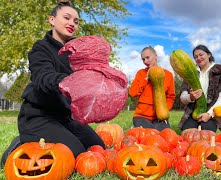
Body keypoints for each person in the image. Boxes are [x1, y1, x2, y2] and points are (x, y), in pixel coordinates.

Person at [0, 1, 105, 166]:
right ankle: (21, 143)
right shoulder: (40, 49)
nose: (71, 23)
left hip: (64, 116)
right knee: (75, 154)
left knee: (98, 147)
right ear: (52, 20)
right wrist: (73, 82)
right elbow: (44, 77)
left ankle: (51, 136)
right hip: (39, 116)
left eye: (76, 21)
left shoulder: (78, 53)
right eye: (66, 18)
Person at [178, 45, 221, 132]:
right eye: (195, 57)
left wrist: (209, 114)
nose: (198, 58)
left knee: (207, 132)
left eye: (201, 55)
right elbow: (183, 95)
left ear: (209, 55)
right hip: (193, 112)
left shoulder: (219, 71)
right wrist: (190, 97)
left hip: (212, 112)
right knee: (187, 133)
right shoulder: (191, 72)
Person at [129, 46, 176, 131]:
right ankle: (136, 128)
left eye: (148, 57)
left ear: (155, 56)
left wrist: (164, 109)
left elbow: (171, 96)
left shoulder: (168, 75)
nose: (146, 61)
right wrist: (146, 79)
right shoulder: (141, 73)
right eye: (143, 59)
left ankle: (137, 129)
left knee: (164, 136)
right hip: (141, 116)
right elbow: (133, 93)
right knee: (149, 135)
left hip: (159, 117)